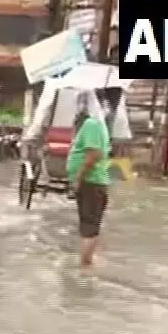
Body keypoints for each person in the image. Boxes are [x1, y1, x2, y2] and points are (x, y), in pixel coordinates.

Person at [67, 101, 113, 271]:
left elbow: (94, 154)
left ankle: (85, 267)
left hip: (90, 181)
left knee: (89, 225)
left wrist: (78, 178)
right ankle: (87, 261)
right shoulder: (98, 124)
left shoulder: (92, 124)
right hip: (94, 182)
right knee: (89, 223)